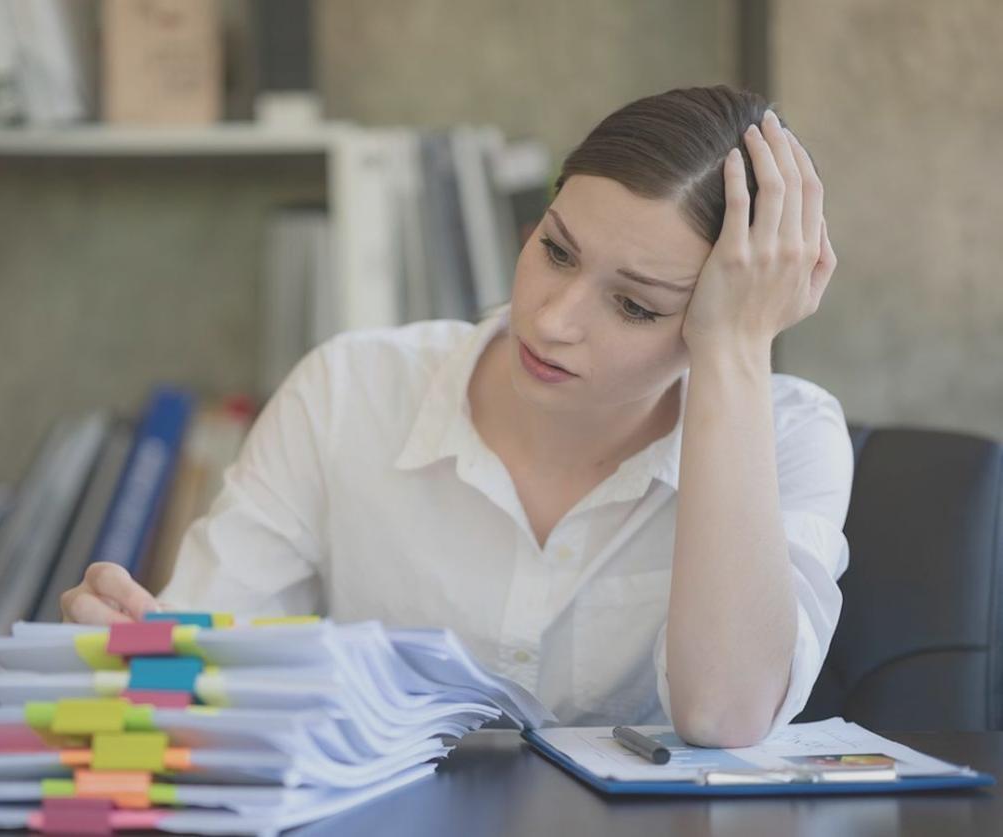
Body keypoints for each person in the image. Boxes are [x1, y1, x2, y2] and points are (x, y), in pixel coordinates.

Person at [60, 85, 852, 749]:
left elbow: (724, 715)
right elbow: (198, 657)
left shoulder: (790, 435)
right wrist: (135, 648)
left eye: (635, 305)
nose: (551, 319)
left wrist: (738, 351)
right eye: (558, 251)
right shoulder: (350, 389)